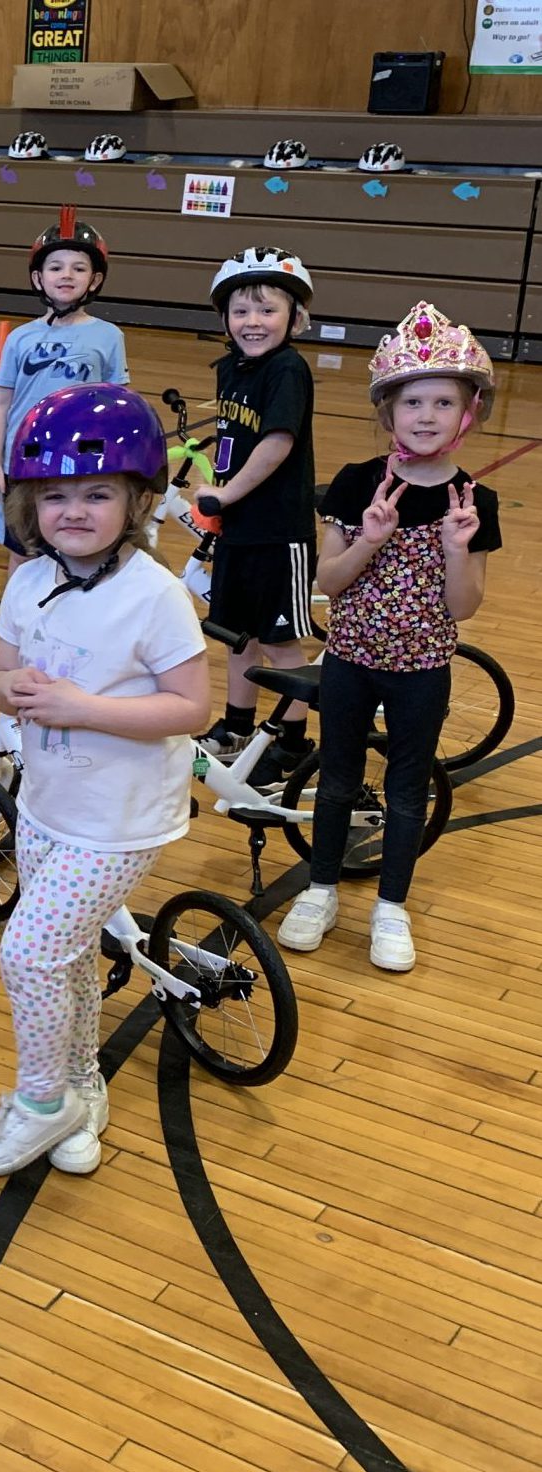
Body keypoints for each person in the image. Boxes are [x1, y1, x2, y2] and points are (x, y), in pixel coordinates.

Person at [0, 384, 208, 1177]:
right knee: (66, 958)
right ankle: (80, 1084)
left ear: (138, 500)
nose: (73, 510)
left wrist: (81, 705)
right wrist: (13, 693)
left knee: (28, 954)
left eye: (97, 492)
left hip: (118, 820)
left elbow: (192, 708)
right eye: (56, 494)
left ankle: (41, 1100)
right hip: (45, 804)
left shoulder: (156, 596)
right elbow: (0, 679)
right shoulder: (29, 579)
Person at [277, 302, 500, 972]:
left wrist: (456, 550)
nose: (425, 415)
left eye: (441, 402)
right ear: (388, 410)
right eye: (411, 402)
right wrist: (368, 540)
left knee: (406, 789)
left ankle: (391, 906)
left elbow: (461, 608)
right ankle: (319, 891)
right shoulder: (354, 484)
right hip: (349, 660)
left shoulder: (472, 503)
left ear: (466, 415)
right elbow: (329, 583)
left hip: (422, 669)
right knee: (338, 778)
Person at [196, 247, 319, 789]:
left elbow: (276, 442)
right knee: (236, 635)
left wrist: (226, 495)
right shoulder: (231, 369)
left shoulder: (287, 369)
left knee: (280, 640)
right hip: (238, 528)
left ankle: (292, 741)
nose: (253, 322)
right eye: (241, 311)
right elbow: (232, 439)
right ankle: (239, 726)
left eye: (267, 310)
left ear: (295, 317)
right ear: (225, 318)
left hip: (277, 530)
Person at [0, 209, 128, 567]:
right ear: (38, 277)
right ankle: (20, 622)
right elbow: (1, 405)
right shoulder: (20, 338)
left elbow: (118, 406)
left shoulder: (109, 336)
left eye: (78, 268)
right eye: (56, 267)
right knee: (22, 549)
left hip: (79, 462)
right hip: (23, 461)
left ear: (94, 280)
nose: (66, 275)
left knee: (73, 549)